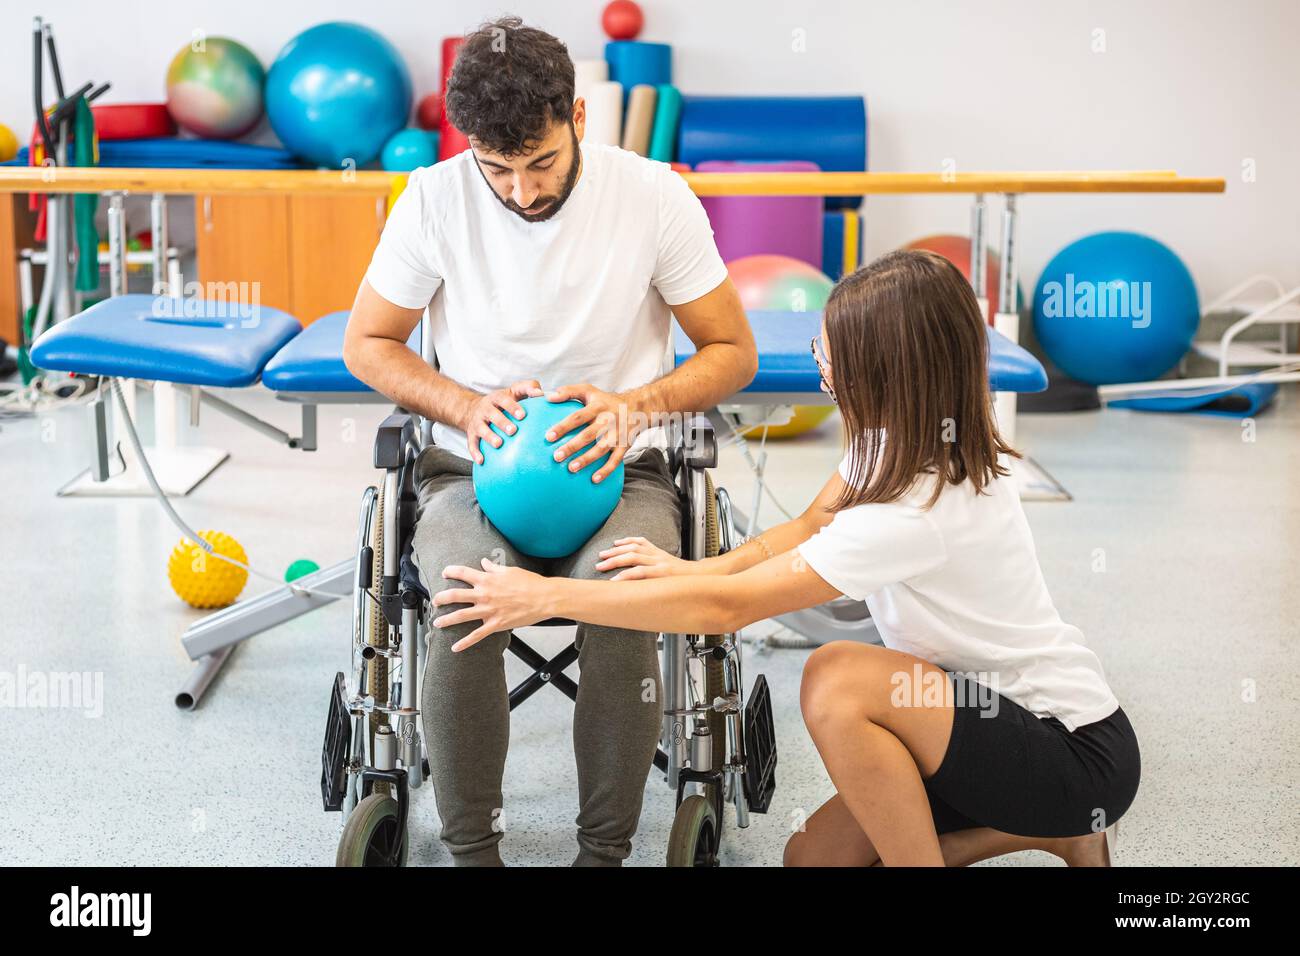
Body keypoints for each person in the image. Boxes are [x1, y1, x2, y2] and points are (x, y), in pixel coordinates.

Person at [435, 249, 1142, 867]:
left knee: (838, 677)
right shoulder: (895, 439)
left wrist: (545, 597)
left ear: (879, 372)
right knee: (813, 859)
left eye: (829, 351)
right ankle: (1055, 837)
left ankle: (1037, 828)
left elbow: (728, 612)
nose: (818, 360)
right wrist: (688, 571)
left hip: (1071, 751)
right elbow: (806, 526)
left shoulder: (918, 508)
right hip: (968, 721)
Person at [343, 17, 756, 867]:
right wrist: (461, 405)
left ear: (576, 117)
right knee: (465, 603)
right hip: (470, 468)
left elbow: (731, 352)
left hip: (625, 467)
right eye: (498, 169)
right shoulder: (433, 198)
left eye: (540, 164)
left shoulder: (653, 198)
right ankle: (472, 853)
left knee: (622, 607)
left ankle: (601, 854)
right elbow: (368, 343)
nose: (522, 193)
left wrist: (634, 406)